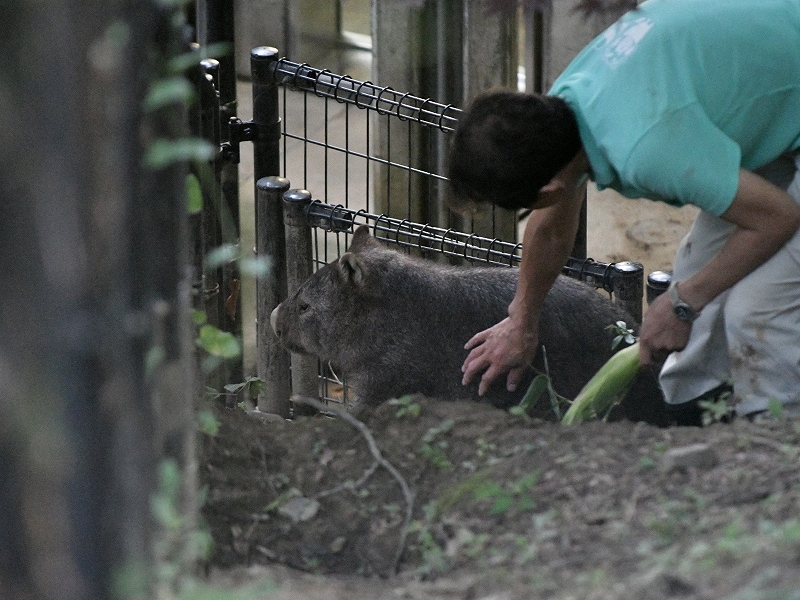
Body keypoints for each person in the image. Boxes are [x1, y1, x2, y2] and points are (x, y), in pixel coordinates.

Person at [448, 0, 800, 419]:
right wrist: (522, 321)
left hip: (781, 91)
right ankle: (695, 425)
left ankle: (774, 451)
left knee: (756, 311)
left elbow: (777, 218)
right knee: (699, 277)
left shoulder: (646, 146)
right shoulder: (565, 105)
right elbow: (551, 229)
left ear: (549, 187)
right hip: (776, 91)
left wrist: (683, 304)